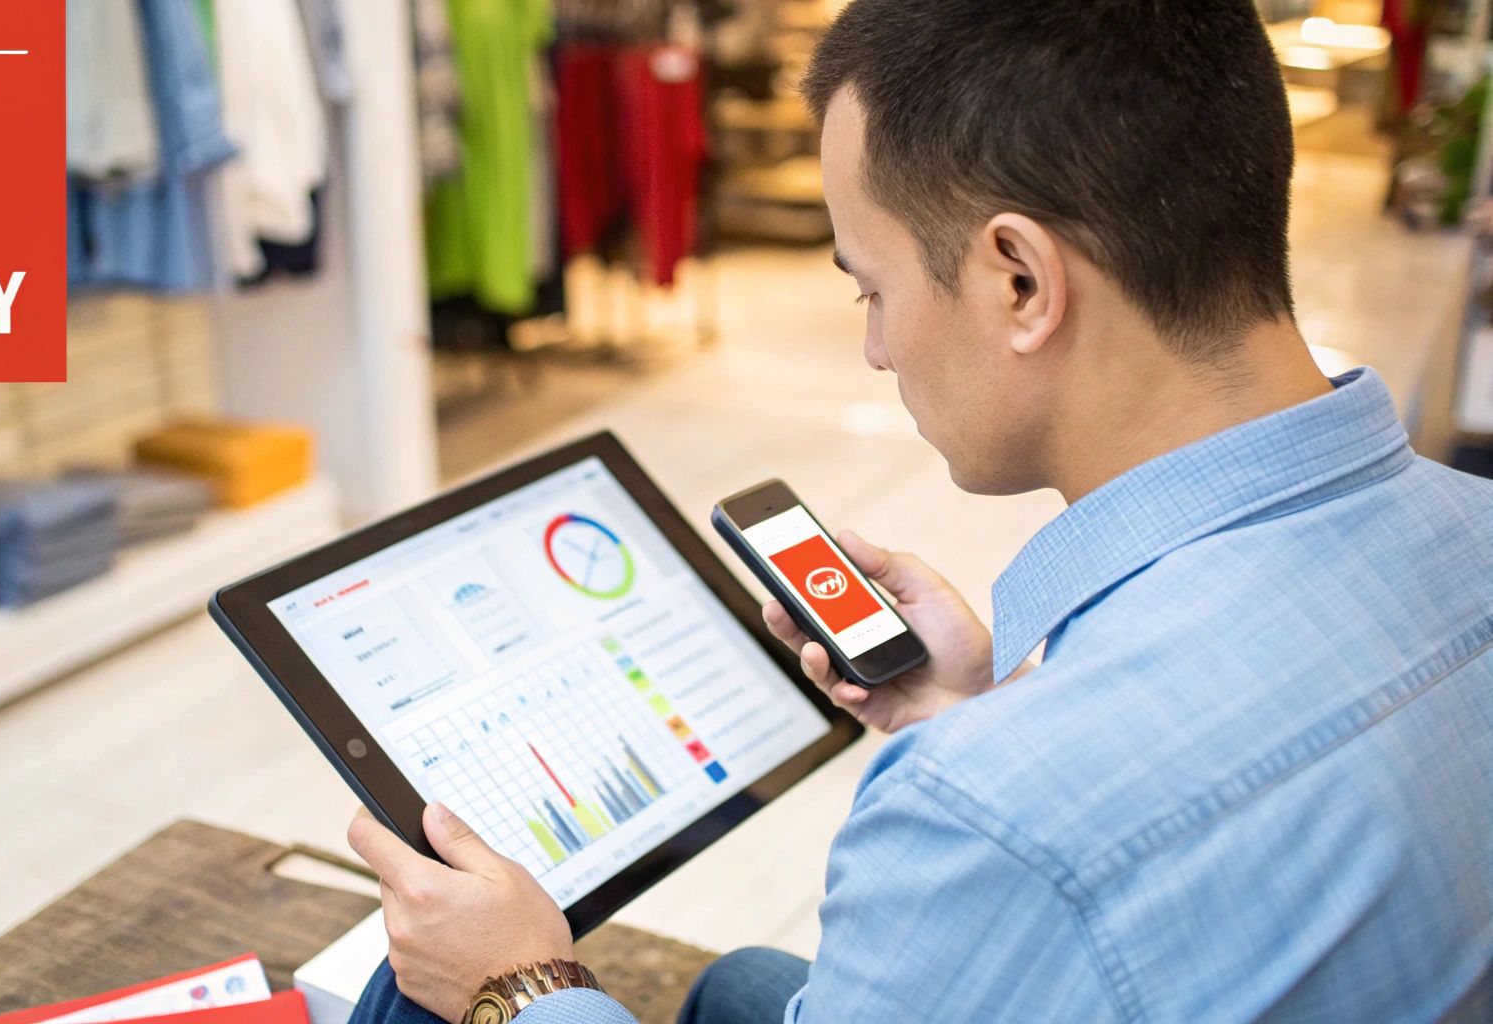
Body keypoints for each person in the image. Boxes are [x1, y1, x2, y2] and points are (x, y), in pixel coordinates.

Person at [342, 1, 1493, 1020]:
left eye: (871, 286)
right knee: (738, 982)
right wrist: (963, 707)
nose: (875, 347)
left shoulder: (987, 813)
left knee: (425, 991)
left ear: (1018, 282)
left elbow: (1067, 831)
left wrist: (518, 989)